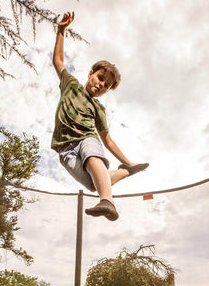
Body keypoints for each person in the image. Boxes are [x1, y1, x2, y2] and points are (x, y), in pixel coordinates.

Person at [52, 12, 148, 221]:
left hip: (86, 138)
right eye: (100, 78)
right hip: (64, 149)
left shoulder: (98, 109)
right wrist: (61, 31)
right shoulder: (71, 85)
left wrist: (128, 160)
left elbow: (107, 140)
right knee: (94, 183)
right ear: (90, 73)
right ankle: (125, 173)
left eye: (106, 86)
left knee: (93, 157)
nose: (101, 85)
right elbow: (58, 61)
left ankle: (108, 201)